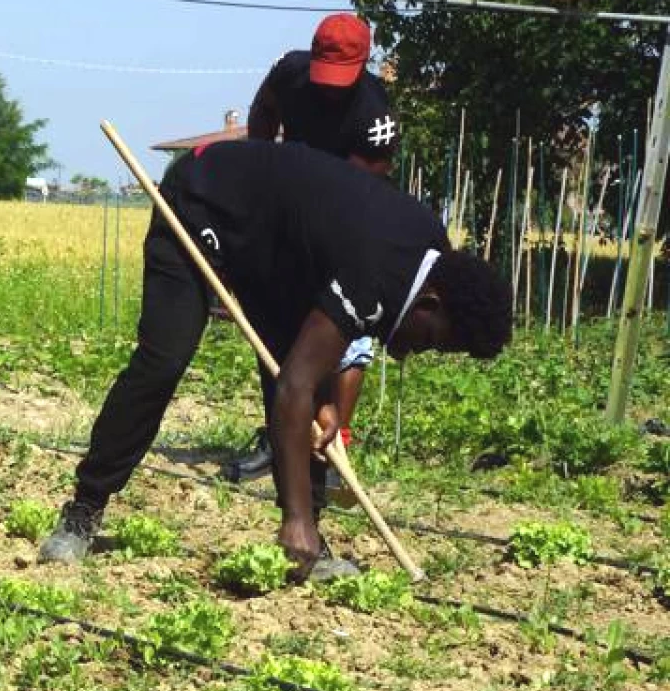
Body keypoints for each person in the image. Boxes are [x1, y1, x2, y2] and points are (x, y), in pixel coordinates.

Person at [38, 140, 511, 580]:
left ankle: (311, 544)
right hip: (201, 204)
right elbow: (294, 386)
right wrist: (295, 516)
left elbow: (310, 338)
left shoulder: (427, 254)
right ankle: (85, 508)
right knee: (167, 357)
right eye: (431, 341)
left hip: (273, 252)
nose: (414, 352)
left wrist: (323, 396)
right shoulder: (378, 271)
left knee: (306, 403)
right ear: (428, 303)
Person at [223, 12, 401, 483]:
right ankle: (284, 432)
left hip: (350, 220)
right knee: (287, 327)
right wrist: (265, 161)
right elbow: (262, 111)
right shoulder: (291, 72)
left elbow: (365, 190)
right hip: (291, 209)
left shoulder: (375, 115)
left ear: (363, 64)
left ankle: (334, 447)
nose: (329, 88)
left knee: (348, 331)